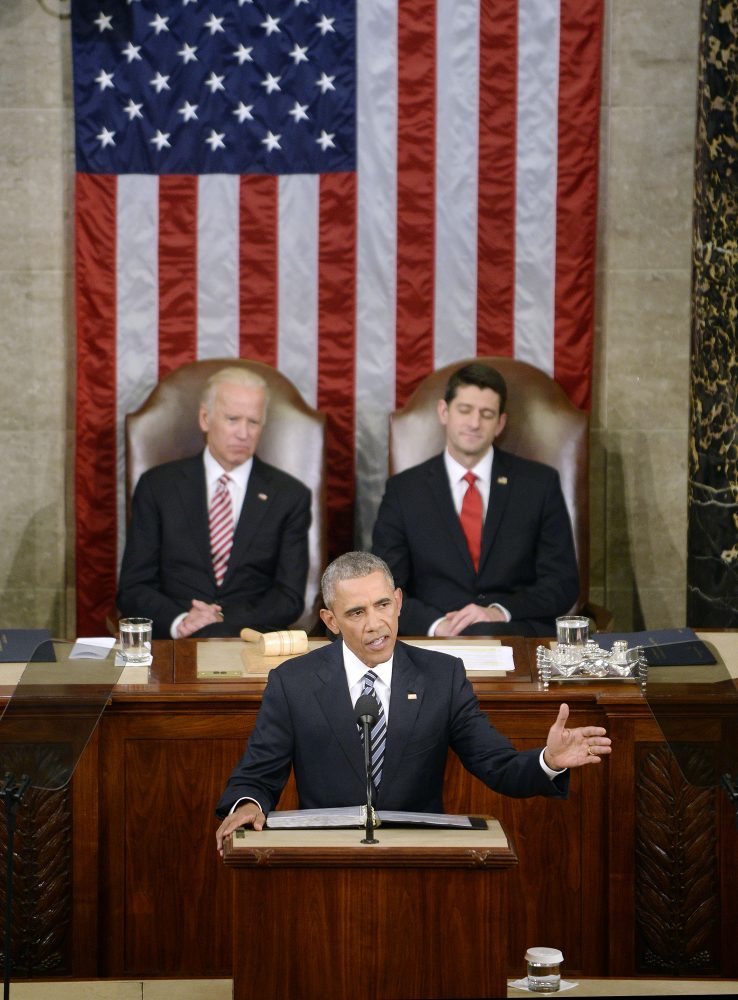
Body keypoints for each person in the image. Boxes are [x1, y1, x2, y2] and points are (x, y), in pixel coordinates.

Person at [215, 552, 610, 848]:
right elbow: (256, 775)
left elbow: (498, 766)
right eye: (356, 612)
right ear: (331, 621)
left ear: (399, 602)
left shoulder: (442, 676)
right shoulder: (294, 682)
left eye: (383, 605)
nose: (375, 623)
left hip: (421, 855)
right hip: (326, 854)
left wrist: (548, 762)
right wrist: (248, 805)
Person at [371, 362, 580, 637]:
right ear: (444, 412)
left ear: (500, 423)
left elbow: (562, 584)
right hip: (433, 641)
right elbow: (385, 588)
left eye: (486, 414)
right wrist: (437, 627)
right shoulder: (403, 490)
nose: (474, 423)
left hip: (515, 635)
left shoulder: (539, 484)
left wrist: (498, 611)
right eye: (465, 410)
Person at [117, 366, 311, 639]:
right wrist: (182, 621)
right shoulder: (158, 487)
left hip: (250, 643)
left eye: (253, 422)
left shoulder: (289, 496)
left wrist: (221, 620)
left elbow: (288, 597)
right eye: (232, 419)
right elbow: (134, 588)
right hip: (173, 644)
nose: (244, 433)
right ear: (205, 419)